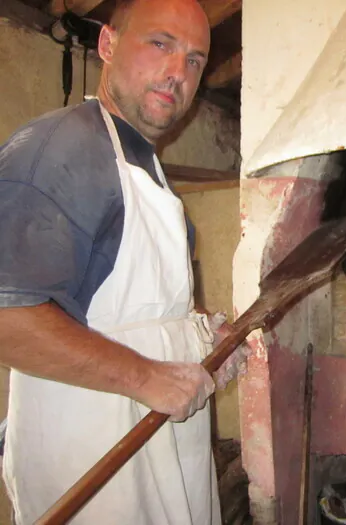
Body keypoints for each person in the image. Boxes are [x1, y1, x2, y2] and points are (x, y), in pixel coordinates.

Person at [0, 0, 245, 523]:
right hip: (92, 454)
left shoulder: (143, 164)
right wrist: (143, 377)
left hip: (153, 445)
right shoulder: (63, 149)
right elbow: (6, 319)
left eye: (195, 60)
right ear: (107, 45)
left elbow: (134, 311)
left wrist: (201, 337)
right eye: (160, 44)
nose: (177, 72)